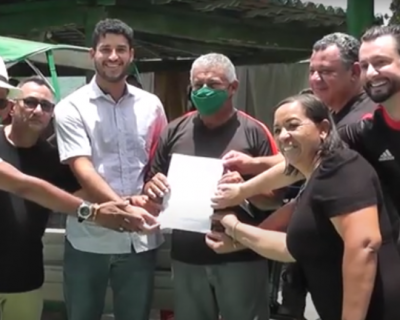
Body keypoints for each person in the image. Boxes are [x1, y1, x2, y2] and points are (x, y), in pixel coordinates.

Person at [221, 33, 378, 319]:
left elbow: (302, 194)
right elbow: (297, 162)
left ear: (355, 72)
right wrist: (251, 170)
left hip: (358, 274)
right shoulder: (335, 118)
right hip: (324, 265)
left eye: (327, 71)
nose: (316, 79)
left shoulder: (360, 123)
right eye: (312, 71)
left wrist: (239, 207)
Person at [212, 93, 400, 320]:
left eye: (292, 126)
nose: (283, 136)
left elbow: (364, 246)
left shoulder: (341, 170)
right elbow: (292, 247)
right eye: (278, 129)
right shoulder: (317, 177)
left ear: (323, 129)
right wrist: (234, 229)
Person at [0, 75, 159, 320]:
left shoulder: (52, 158)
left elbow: (84, 194)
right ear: (12, 106)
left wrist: (130, 203)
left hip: (24, 278)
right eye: (30, 102)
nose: (38, 110)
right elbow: (25, 186)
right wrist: (93, 213)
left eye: (46, 106)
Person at [143, 53, 281, 320]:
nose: (204, 91)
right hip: (187, 258)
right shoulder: (174, 130)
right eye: (197, 85)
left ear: (233, 87)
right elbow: (151, 188)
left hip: (241, 257)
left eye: (213, 84)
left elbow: (275, 199)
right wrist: (152, 186)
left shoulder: (254, 132)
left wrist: (247, 188)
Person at [54, 19, 167, 320]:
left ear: (132, 54)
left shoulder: (152, 105)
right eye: (105, 49)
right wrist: (125, 207)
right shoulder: (71, 107)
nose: (113, 56)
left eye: (120, 49)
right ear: (92, 54)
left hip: (140, 240)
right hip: (89, 236)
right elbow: (83, 169)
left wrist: (151, 194)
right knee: (82, 315)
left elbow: (158, 163)